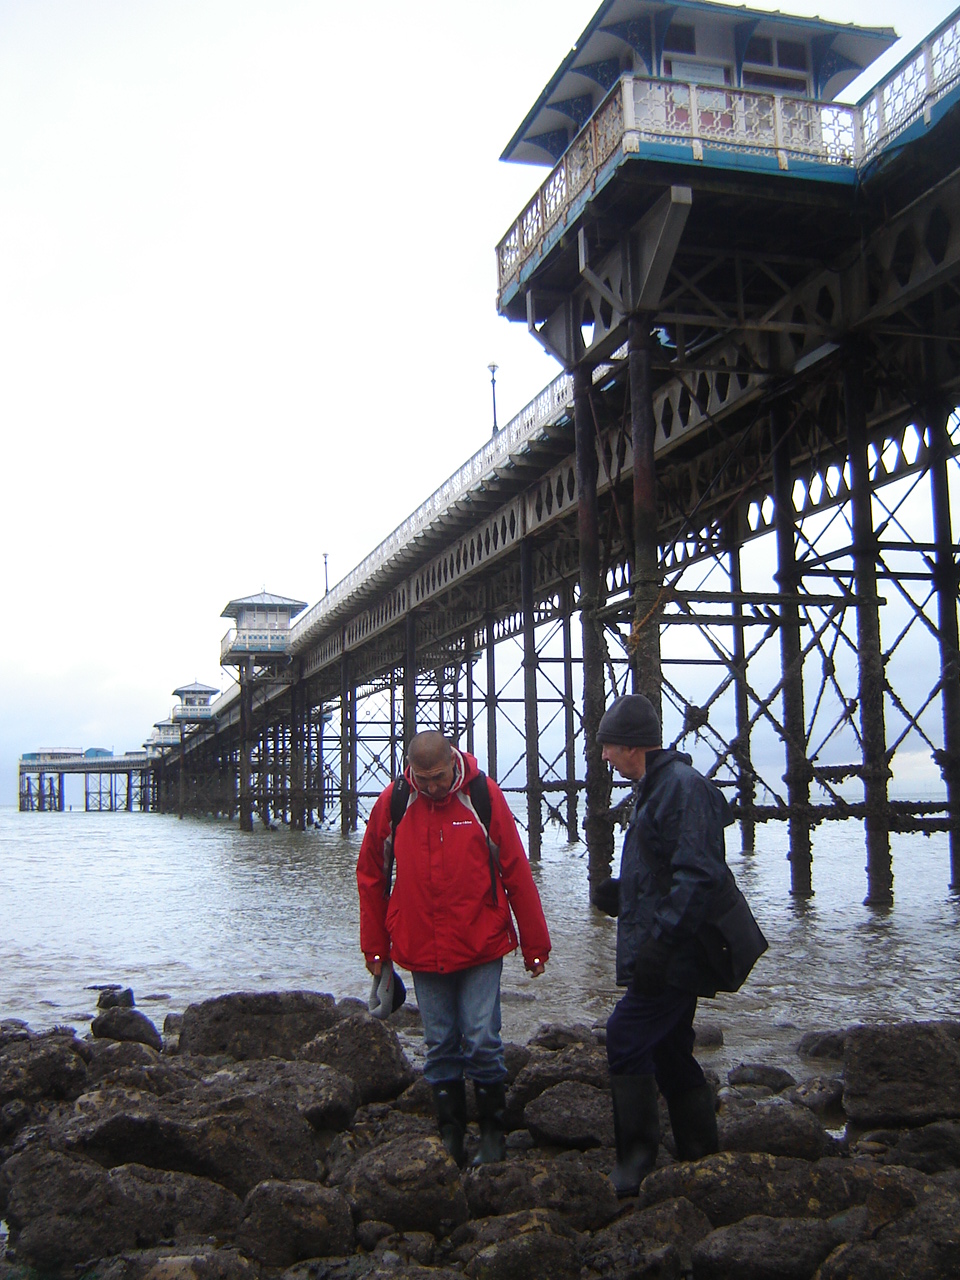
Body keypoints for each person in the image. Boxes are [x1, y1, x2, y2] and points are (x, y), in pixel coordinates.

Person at [592, 692, 765, 1197]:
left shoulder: (683, 789)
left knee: (625, 1034)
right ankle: (699, 1152)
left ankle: (636, 1161)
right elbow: (666, 868)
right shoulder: (657, 786)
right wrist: (624, 895)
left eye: (608, 748)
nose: (603, 758)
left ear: (631, 746)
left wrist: (661, 946)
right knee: (669, 1049)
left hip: (679, 950)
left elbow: (698, 876)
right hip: (669, 942)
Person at [357, 730, 551, 1166]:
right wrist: (375, 949)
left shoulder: (482, 795)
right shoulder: (395, 801)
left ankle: (493, 1135)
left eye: (439, 777)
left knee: (482, 1038)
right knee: (439, 1042)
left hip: (481, 941)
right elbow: (371, 875)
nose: (431, 787)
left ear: (453, 762)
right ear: (411, 769)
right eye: (422, 779)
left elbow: (515, 868)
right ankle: (450, 1136)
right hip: (420, 944)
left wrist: (535, 944)